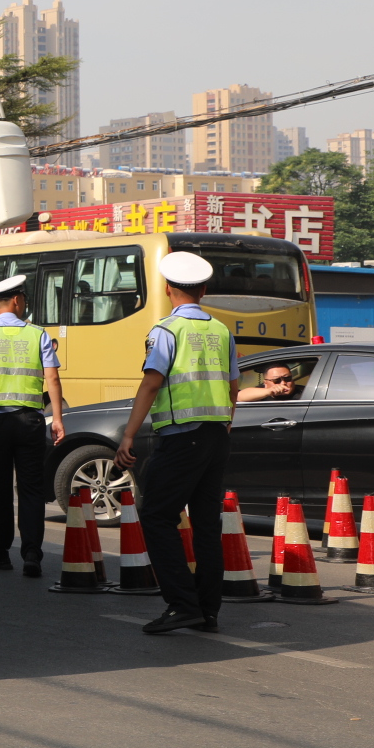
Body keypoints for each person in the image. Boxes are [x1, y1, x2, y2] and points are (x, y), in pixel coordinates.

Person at [115, 251, 238, 635]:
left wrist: (129, 434)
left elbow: (152, 383)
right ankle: (208, 610)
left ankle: (183, 604)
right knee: (205, 524)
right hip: (217, 435)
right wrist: (223, 426)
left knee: (155, 516)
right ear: (203, 290)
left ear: (169, 289)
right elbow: (234, 387)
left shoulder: (166, 331)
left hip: (181, 435)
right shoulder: (221, 330)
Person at [0, 275, 65, 578]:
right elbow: (53, 379)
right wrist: (56, 418)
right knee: (31, 489)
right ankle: (32, 554)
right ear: (17, 302)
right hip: (30, 421)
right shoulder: (38, 334)